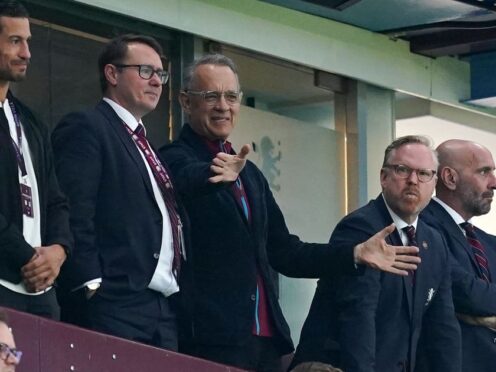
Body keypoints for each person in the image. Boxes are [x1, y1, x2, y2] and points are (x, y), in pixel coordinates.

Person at [159, 54, 421, 371]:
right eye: (211, 96)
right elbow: (187, 180)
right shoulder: (171, 159)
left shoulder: (250, 175)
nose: (223, 106)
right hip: (208, 339)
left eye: (231, 96)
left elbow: (286, 252)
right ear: (186, 101)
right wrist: (213, 176)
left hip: (266, 342)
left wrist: (354, 254)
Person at [52, 34, 186, 351]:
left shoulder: (146, 144)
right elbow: (73, 208)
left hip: (160, 310)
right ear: (112, 74)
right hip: (112, 302)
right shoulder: (88, 126)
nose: (157, 81)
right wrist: (90, 283)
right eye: (145, 71)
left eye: (161, 74)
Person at [291, 135, 461, 372]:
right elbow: (358, 318)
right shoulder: (361, 228)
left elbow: (443, 327)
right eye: (403, 170)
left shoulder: (434, 241)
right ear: (383, 177)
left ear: (433, 184)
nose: (413, 180)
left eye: (424, 174)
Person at [0, 0, 71, 319]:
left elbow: (57, 201)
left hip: (40, 293)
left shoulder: (31, 121)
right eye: (15, 41)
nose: (27, 53)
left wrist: (58, 251)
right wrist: (26, 256)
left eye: (27, 41)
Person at [420, 139, 496, 371]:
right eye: (484, 172)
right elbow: (466, 292)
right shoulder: (421, 228)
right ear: (450, 178)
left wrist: (475, 315)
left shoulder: (489, 242)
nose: (494, 183)